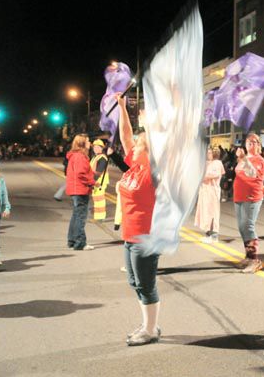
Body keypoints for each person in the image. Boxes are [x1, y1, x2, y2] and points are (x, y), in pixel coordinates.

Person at [117, 95, 161, 346]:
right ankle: (148, 324)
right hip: (130, 234)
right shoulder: (134, 167)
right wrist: (123, 108)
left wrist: (150, 123)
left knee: (145, 284)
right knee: (134, 281)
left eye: (140, 144)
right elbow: (125, 136)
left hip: (146, 235)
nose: (134, 146)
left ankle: (151, 329)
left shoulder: (154, 171)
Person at [233, 133, 264, 273]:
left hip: (251, 197)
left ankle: (255, 260)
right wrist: (242, 159)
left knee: (248, 226)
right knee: (242, 227)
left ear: (258, 145)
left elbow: (252, 174)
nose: (251, 144)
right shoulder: (243, 159)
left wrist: (243, 159)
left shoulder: (259, 160)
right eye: (249, 141)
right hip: (239, 196)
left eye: (254, 142)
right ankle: (248, 255)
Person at [65, 134, 96, 251]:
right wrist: (92, 182)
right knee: (81, 217)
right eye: (88, 141)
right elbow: (81, 174)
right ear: (82, 143)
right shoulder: (80, 157)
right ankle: (80, 243)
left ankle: (72, 241)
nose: (90, 143)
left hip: (76, 189)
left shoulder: (76, 156)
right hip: (80, 189)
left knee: (76, 215)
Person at [195, 147, 225, 243]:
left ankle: (214, 235)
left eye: (210, 152)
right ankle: (208, 234)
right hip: (205, 190)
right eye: (207, 152)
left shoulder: (217, 163)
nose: (208, 154)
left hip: (212, 191)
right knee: (205, 212)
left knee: (212, 212)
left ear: (215, 153)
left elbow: (211, 174)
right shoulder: (208, 163)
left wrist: (201, 174)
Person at [90, 139, 110, 221]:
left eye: (98, 147)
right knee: (96, 199)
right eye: (95, 147)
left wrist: (92, 181)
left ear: (102, 148)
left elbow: (98, 172)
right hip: (96, 181)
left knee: (99, 199)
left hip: (100, 181)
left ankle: (101, 217)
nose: (96, 149)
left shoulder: (102, 158)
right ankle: (98, 216)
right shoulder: (96, 157)